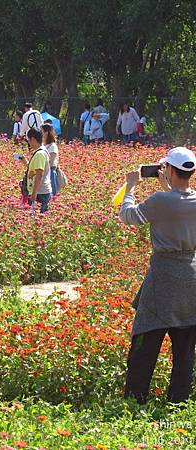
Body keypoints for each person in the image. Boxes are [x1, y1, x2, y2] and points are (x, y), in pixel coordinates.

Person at [119, 146, 196, 405]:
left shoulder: (160, 201)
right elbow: (179, 206)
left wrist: (130, 187)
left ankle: (135, 399)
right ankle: (178, 402)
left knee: (146, 338)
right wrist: (170, 188)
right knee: (185, 348)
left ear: (170, 170)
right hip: (191, 278)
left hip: (163, 276)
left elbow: (128, 216)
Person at [18, 128, 52, 213]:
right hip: (40, 191)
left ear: (33, 139)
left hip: (40, 192)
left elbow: (39, 175)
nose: (28, 143)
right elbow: (34, 169)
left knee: (38, 218)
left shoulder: (40, 154)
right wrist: (25, 162)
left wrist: (34, 194)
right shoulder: (41, 151)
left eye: (28, 140)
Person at [42, 124, 59, 195]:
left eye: (41, 131)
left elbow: (51, 162)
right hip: (43, 170)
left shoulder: (52, 146)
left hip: (50, 171)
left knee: (51, 193)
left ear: (46, 133)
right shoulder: (43, 145)